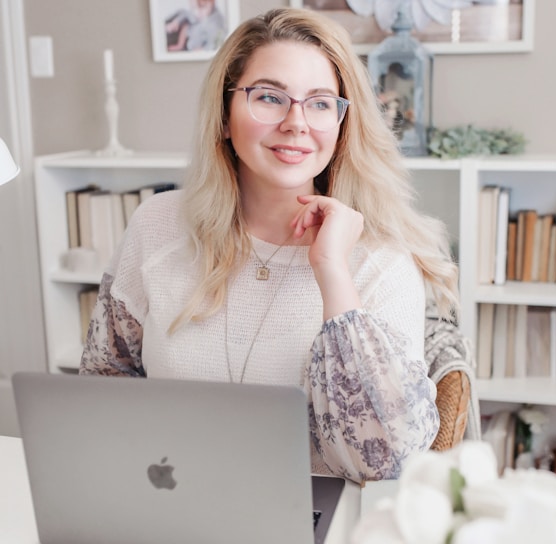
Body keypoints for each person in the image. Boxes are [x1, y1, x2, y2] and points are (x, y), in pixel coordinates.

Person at [80, 7, 459, 484]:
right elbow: (104, 379)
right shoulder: (156, 224)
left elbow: (383, 460)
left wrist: (332, 271)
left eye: (321, 103)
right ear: (223, 115)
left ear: (343, 125)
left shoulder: (383, 260)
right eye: (269, 97)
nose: (297, 122)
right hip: (168, 504)